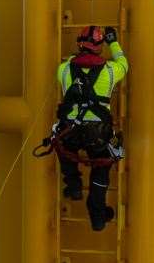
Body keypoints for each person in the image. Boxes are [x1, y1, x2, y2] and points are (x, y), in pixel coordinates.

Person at [55, 25, 128, 231]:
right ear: (100, 47)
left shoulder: (64, 69)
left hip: (70, 130)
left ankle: (74, 185)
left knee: (63, 147)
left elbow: (67, 64)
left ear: (80, 43)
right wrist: (113, 41)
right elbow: (124, 63)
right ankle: (97, 215)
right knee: (101, 168)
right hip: (98, 134)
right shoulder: (111, 71)